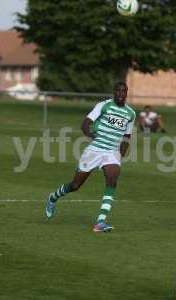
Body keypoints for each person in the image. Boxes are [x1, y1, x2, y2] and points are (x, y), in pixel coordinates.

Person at [44, 82, 136, 232]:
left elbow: (127, 136)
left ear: (127, 93)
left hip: (111, 153)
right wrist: (90, 134)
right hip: (94, 150)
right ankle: (53, 197)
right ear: (114, 92)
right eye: (118, 91)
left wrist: (120, 155)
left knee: (112, 181)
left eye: (124, 91)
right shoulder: (104, 105)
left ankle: (100, 222)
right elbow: (85, 124)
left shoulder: (131, 113)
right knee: (75, 186)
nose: (121, 94)